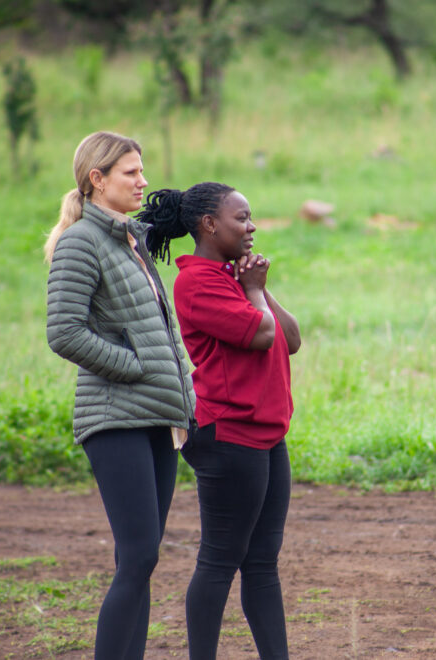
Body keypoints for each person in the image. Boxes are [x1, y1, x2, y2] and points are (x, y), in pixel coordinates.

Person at [44, 131, 196, 660]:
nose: (143, 181)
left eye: (141, 170)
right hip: (115, 418)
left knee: (144, 558)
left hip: (154, 415)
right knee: (136, 558)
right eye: (131, 172)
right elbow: (63, 331)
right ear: (97, 179)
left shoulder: (129, 239)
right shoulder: (82, 240)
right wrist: (135, 366)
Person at [138, 182, 301, 660]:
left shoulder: (236, 278)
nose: (251, 228)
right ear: (209, 225)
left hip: (267, 434)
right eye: (242, 218)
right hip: (228, 435)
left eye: (250, 219)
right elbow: (260, 335)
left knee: (262, 564)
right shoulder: (197, 283)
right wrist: (252, 289)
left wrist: (260, 289)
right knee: (218, 561)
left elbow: (290, 339)